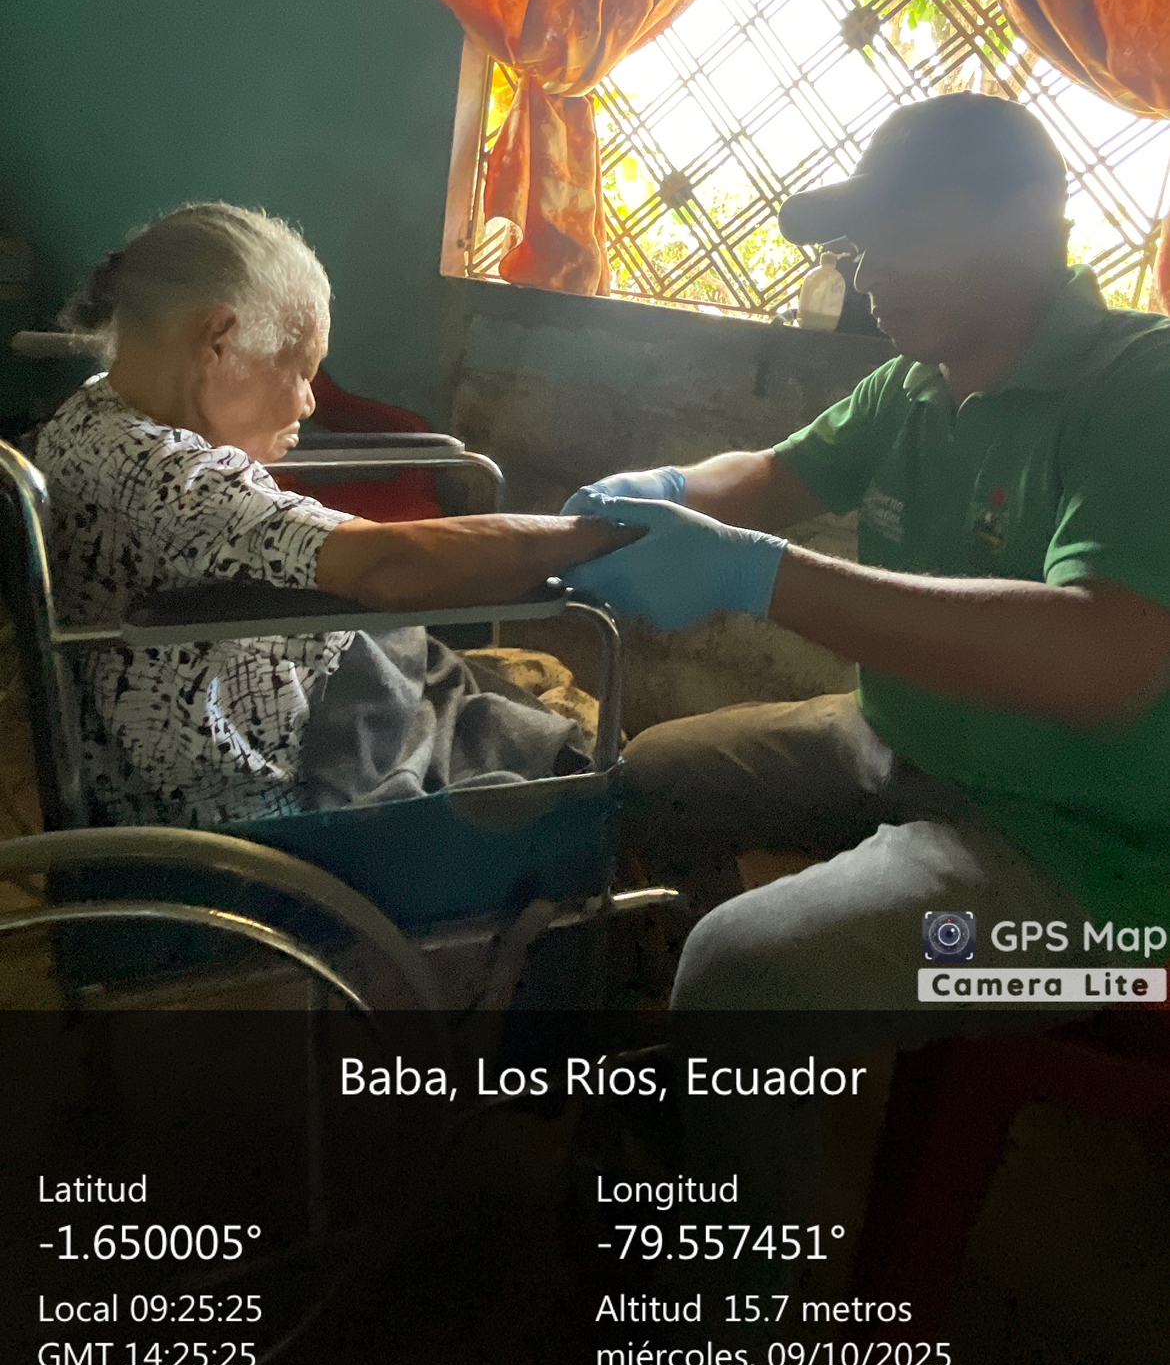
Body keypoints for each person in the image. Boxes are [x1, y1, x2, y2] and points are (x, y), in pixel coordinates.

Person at [566, 93, 1170, 1012]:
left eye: (908, 236)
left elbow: (1103, 662)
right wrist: (670, 490)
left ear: (1028, 222)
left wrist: (758, 573)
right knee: (649, 778)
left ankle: (742, 1036)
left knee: (741, 969)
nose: (871, 275)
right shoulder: (912, 386)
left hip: (1090, 854)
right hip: (899, 739)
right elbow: (776, 475)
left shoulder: (1140, 384)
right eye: (860, 248)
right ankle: (725, 1045)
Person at [37, 202, 628, 834]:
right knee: (556, 778)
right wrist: (598, 538)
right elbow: (391, 567)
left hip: (272, 700)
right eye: (300, 371)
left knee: (492, 712)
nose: (310, 402)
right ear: (218, 340)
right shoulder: (172, 478)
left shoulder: (89, 414)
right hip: (262, 797)